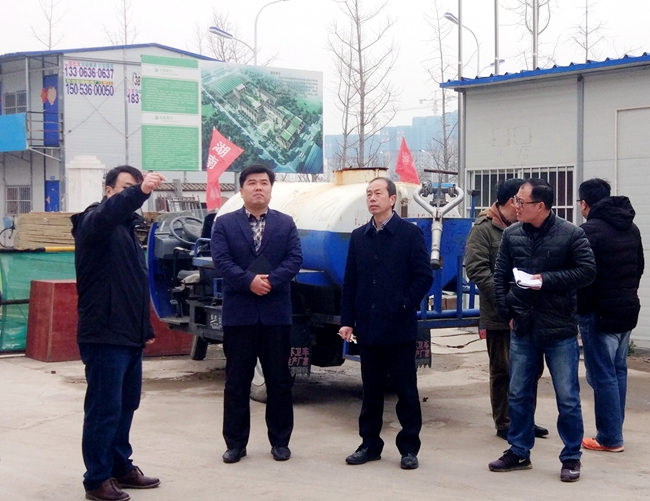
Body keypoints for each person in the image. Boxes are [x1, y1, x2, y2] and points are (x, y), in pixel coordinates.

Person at [489, 178, 596, 482]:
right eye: (515, 200)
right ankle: (519, 450)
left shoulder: (571, 234)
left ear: (541, 206)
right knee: (519, 393)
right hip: (523, 327)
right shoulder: (512, 234)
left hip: (559, 329)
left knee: (567, 397)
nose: (516, 206)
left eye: (521, 202)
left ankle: (571, 456)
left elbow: (587, 271)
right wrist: (507, 313)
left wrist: (545, 280)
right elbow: (500, 276)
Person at [71, 166, 165, 501]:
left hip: (129, 335)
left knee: (126, 405)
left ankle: (119, 465)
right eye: (126, 187)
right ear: (109, 190)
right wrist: (140, 191)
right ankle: (97, 479)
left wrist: (145, 328)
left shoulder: (126, 231)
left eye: (135, 187)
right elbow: (109, 213)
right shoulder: (93, 222)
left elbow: (132, 286)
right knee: (104, 409)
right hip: (103, 334)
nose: (132, 193)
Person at [339, 177, 433, 470]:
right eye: (368, 194)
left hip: (399, 327)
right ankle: (369, 444)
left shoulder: (409, 234)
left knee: (406, 391)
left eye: (378, 193)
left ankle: (409, 448)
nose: (372, 198)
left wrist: (404, 304)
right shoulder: (359, 236)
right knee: (371, 391)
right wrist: (347, 321)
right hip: (368, 327)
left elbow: (424, 276)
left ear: (392, 199)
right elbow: (351, 282)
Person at [211, 164, 302, 464]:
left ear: (271, 189)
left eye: (264, 182)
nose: (258, 187)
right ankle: (235, 444)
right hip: (240, 315)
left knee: (279, 381)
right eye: (252, 183)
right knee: (237, 382)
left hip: (276, 315)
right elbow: (221, 260)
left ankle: (280, 442)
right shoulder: (224, 224)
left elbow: (295, 259)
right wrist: (248, 281)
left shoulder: (286, 223)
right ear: (242, 190)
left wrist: (271, 281)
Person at [465, 178, 548, 441]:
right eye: (521, 200)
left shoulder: (527, 227)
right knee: (503, 369)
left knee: (532, 369)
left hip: (530, 312)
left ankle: (525, 419)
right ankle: (505, 421)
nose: (523, 205)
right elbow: (476, 268)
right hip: (499, 313)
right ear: (513, 201)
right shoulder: (483, 229)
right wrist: (506, 298)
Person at [577, 178, 644, 453]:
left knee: (602, 374)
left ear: (584, 204)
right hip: (626, 309)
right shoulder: (631, 227)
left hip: (599, 314)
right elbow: (639, 267)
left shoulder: (589, 231)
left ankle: (609, 437)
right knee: (618, 371)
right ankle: (614, 429)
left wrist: (581, 310)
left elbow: (583, 277)